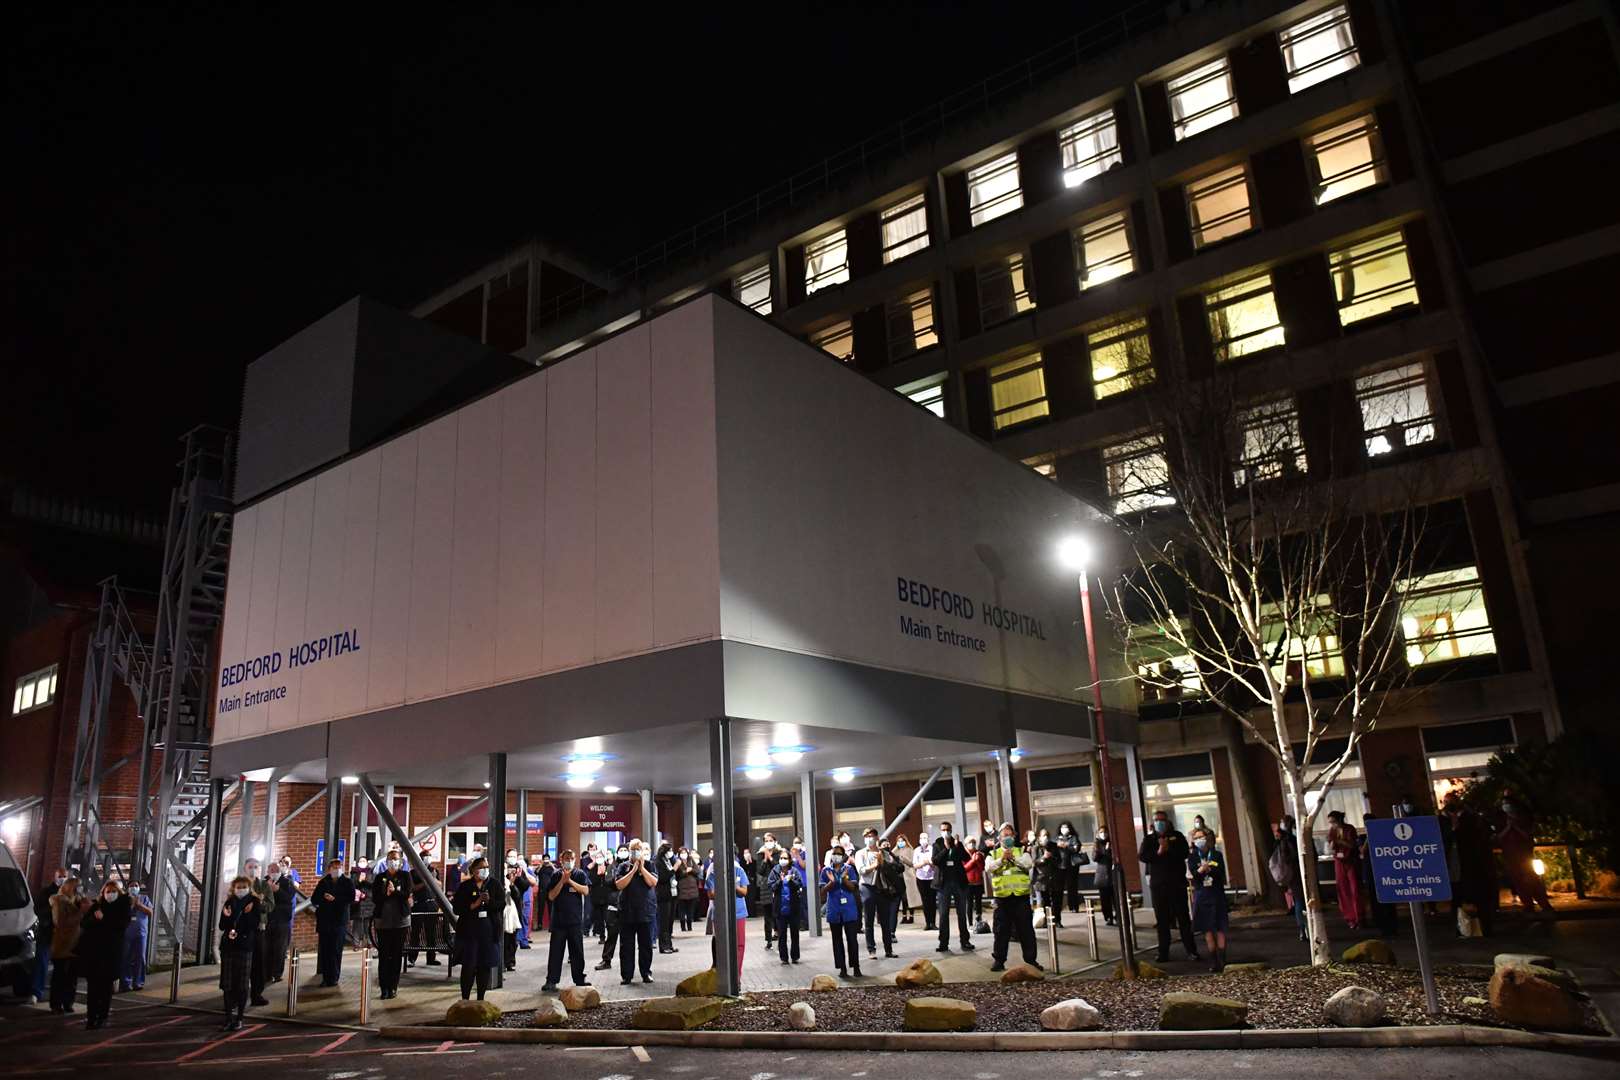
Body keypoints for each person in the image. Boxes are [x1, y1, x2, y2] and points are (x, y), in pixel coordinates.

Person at [1139, 810, 1199, 963]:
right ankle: (1163, 953)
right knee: (1162, 921)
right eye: (1157, 820)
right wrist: (1158, 851)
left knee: (1183, 919)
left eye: (1162, 820)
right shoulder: (1149, 839)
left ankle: (1191, 951)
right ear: (1153, 822)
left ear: (1167, 821)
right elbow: (1143, 856)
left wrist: (1169, 849)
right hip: (1159, 886)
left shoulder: (1177, 836)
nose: (1160, 822)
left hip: (1177, 884)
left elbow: (1185, 853)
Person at [985, 823, 1039, 972]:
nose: (1007, 837)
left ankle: (1031, 960)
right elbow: (988, 867)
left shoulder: (1021, 851)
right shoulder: (993, 854)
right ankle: (999, 961)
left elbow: (1028, 864)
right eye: (1004, 835)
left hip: (1021, 898)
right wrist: (1002, 859)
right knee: (1001, 931)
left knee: (1026, 930)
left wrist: (1013, 858)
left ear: (1014, 836)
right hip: (1002, 899)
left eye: (1009, 835)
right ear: (999, 838)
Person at [78, 879, 131, 1028]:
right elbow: (85, 923)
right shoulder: (97, 905)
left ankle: (102, 1016)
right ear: (103, 893)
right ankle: (91, 1017)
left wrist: (105, 919)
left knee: (105, 988)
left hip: (111, 953)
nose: (110, 894)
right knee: (93, 987)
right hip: (94, 954)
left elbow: (122, 925)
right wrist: (95, 918)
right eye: (108, 892)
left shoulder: (123, 906)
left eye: (114, 892)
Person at [1443, 795, 1498, 936]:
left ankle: (1483, 928)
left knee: (1478, 897)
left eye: (1451, 802)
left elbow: (1478, 839)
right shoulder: (1443, 820)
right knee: (1457, 899)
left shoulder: (1471, 818)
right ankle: (1461, 929)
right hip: (1455, 868)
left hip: (1473, 866)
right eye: (1446, 802)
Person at [541, 849, 592, 993]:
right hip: (558, 922)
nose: (568, 861)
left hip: (575, 921)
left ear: (575, 860)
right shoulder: (556, 875)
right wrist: (562, 882)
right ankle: (551, 981)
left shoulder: (580, 874)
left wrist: (569, 881)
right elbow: (551, 896)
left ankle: (579, 979)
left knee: (577, 952)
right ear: (561, 860)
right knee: (556, 952)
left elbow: (585, 891)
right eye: (566, 858)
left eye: (571, 858)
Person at [451, 856, 501, 1000]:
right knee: (469, 966)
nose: (485, 870)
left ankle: (481, 998)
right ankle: (465, 998)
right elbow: (457, 908)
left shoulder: (494, 884)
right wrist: (475, 904)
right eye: (481, 868)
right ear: (473, 870)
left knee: (484, 966)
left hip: (488, 932)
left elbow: (501, 904)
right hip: (469, 933)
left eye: (486, 867)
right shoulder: (465, 886)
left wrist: (489, 902)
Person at [217, 876, 261, 1031]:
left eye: (244, 887)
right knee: (227, 983)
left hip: (244, 946)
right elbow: (222, 925)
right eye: (238, 887)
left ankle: (240, 1018)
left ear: (249, 888)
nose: (240, 890)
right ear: (233, 888)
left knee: (242, 984)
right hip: (228, 946)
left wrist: (247, 916)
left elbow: (254, 925)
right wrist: (227, 917)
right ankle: (228, 1017)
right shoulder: (229, 902)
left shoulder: (254, 902)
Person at [1498, 796, 1554, 915]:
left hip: (1524, 856)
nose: (1506, 807)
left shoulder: (1523, 819)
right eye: (1504, 804)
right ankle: (1528, 905)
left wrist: (1515, 826)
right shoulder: (1502, 821)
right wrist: (1508, 827)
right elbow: (1499, 837)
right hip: (1510, 857)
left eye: (1508, 804)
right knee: (1518, 882)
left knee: (1532, 880)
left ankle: (1544, 904)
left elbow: (1527, 835)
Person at [614, 840, 658, 985]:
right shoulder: (622, 866)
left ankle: (646, 973)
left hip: (646, 911)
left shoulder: (650, 864)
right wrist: (633, 871)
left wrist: (642, 869)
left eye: (638, 849)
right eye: (633, 850)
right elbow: (619, 885)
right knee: (626, 946)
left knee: (645, 945)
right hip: (627, 912)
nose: (636, 852)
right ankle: (627, 975)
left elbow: (653, 882)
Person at [373, 849, 412, 999]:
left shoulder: (405, 875)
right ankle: (384, 988)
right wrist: (386, 894)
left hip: (400, 922)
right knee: (384, 955)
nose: (393, 861)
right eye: (390, 859)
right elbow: (375, 898)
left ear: (400, 861)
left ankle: (393, 987)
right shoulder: (379, 878)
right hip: (383, 922)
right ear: (386, 861)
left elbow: (407, 893)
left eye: (396, 859)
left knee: (396, 955)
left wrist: (395, 891)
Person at [1188, 828, 1229, 972]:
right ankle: (1213, 961)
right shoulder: (1193, 857)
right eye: (1196, 838)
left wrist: (1210, 869)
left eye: (1202, 837)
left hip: (1216, 894)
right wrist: (1200, 871)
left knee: (1220, 928)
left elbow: (1221, 873)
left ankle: (1223, 960)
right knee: (1207, 930)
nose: (1199, 840)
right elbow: (1193, 875)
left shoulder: (1216, 855)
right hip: (1202, 896)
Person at [931, 820, 975, 953]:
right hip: (943, 884)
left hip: (958, 882)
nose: (946, 832)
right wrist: (946, 849)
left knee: (961, 913)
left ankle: (965, 941)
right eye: (943, 830)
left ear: (951, 830)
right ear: (940, 831)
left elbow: (967, 858)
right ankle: (943, 943)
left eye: (948, 829)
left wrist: (957, 846)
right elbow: (935, 860)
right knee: (944, 914)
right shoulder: (937, 843)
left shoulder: (957, 843)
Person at [310, 857, 355, 986]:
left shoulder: (347, 882)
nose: (336, 869)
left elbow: (351, 898)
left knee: (336, 949)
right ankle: (325, 977)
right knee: (325, 950)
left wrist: (335, 899)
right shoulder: (324, 882)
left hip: (339, 920)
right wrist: (324, 898)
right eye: (334, 867)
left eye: (339, 867)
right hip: (325, 920)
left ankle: (334, 977)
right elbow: (314, 899)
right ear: (329, 869)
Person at [820, 845, 862, 978]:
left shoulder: (849, 869)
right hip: (834, 909)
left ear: (843, 856)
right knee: (837, 940)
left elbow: (853, 888)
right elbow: (822, 891)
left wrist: (844, 879)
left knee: (852, 939)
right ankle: (842, 968)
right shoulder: (826, 871)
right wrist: (831, 883)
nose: (836, 856)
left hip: (849, 909)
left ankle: (856, 966)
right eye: (834, 853)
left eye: (839, 854)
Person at [705, 850, 749, 976]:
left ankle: (736, 976)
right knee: (722, 945)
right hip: (720, 913)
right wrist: (725, 886)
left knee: (739, 945)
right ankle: (724, 977)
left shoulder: (738, 870)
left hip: (738, 912)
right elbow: (711, 895)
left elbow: (744, 891)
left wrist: (734, 887)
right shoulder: (713, 872)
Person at [49, 875, 84, 1013]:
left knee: (72, 977)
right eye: (77, 886)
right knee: (60, 976)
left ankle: (68, 1002)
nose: (80, 889)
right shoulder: (59, 901)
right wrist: (80, 913)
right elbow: (60, 922)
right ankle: (56, 1004)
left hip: (76, 944)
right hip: (63, 944)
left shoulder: (78, 900)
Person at [242, 858, 275, 1007]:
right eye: (250, 867)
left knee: (258, 963)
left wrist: (260, 902)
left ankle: (257, 994)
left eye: (256, 867)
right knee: (241, 963)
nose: (253, 869)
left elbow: (270, 906)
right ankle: (238, 995)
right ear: (245, 868)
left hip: (259, 928)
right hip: (242, 929)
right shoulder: (240, 884)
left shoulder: (263, 885)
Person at [1269, 817, 1307, 942]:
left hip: (1290, 873)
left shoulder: (1281, 840)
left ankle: (1302, 928)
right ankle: (1305, 927)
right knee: (1302, 900)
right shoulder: (1292, 838)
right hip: (1297, 872)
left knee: (1298, 900)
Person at [765, 848, 805, 964]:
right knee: (782, 935)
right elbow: (771, 886)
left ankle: (795, 956)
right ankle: (784, 958)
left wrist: (791, 880)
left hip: (793, 908)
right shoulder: (775, 871)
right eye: (781, 858)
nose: (783, 860)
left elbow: (799, 885)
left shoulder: (794, 871)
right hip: (780, 908)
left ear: (789, 860)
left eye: (785, 858)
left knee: (794, 934)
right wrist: (780, 881)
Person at [1326, 811, 1363, 930]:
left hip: (1351, 861)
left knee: (1355, 889)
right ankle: (1350, 917)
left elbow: (1352, 845)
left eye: (1333, 822)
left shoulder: (1349, 829)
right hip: (1339, 861)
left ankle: (1359, 917)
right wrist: (1333, 843)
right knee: (1343, 889)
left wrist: (1339, 841)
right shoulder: (1332, 831)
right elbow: (1331, 846)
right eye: (1330, 822)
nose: (1332, 824)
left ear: (1339, 820)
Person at [32, 868, 64, 1004]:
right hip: (47, 932)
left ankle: (57, 996)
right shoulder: (45, 892)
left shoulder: (69, 893)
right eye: (60, 876)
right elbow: (37, 909)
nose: (62, 879)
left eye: (64, 876)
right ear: (55, 877)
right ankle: (36, 992)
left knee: (61, 967)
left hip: (62, 935)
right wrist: (50, 908)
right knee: (42, 962)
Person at [264, 859, 298, 982]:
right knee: (266, 948)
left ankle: (276, 974)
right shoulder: (264, 881)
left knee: (279, 948)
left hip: (282, 920)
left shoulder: (287, 882)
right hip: (267, 920)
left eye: (276, 870)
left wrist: (277, 890)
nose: (273, 872)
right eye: (271, 870)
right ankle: (266, 973)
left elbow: (289, 898)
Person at [595, 844, 627, 971]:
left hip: (627, 904)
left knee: (626, 938)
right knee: (612, 934)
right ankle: (606, 960)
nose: (623, 852)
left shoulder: (631, 865)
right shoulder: (612, 866)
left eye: (625, 850)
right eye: (621, 850)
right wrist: (620, 879)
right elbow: (609, 882)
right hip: (613, 904)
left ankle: (626, 964)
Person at [872, 838, 905, 956]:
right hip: (884, 890)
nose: (886, 846)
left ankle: (892, 933)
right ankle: (887, 938)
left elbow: (902, 868)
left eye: (888, 844)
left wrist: (893, 863)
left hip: (896, 889)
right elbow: (883, 869)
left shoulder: (893, 855)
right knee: (886, 915)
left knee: (894, 912)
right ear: (880, 846)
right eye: (884, 845)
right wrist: (891, 866)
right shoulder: (879, 856)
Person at [407, 860, 443, 968]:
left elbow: (439, 885)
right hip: (418, 904)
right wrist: (425, 881)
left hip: (431, 905)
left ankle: (431, 958)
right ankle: (412, 958)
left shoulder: (433, 870)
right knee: (415, 933)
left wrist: (432, 878)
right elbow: (412, 888)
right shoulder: (413, 873)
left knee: (431, 933)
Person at [118, 881, 152, 992]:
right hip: (126, 933)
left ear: (139, 887)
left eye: (136, 886)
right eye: (131, 886)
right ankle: (125, 983)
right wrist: (131, 905)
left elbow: (150, 912)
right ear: (128, 888)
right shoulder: (123, 899)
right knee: (125, 957)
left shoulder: (144, 898)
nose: (134, 888)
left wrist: (138, 905)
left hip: (141, 933)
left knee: (140, 957)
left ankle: (138, 982)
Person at [1055, 821, 1088, 916]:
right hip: (1060, 866)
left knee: (1072, 887)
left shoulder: (1073, 838)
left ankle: (1074, 906)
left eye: (1066, 827)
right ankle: (1059, 907)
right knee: (1059, 888)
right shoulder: (1057, 839)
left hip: (1072, 865)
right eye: (1062, 827)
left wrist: (1067, 846)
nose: (1064, 829)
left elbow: (1076, 848)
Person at [654, 842, 680, 954]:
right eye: (669, 851)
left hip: (672, 893)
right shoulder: (658, 862)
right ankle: (663, 946)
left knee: (670, 921)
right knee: (664, 922)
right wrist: (674, 868)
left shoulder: (668, 861)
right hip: (663, 895)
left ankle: (669, 944)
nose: (671, 853)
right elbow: (663, 877)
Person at [911, 827, 936, 931]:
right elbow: (914, 865)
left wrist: (930, 862)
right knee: (925, 901)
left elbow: (936, 863)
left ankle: (933, 923)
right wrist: (923, 863)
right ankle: (927, 923)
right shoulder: (916, 850)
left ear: (928, 839)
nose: (923, 840)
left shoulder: (932, 849)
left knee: (932, 901)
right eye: (921, 838)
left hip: (932, 877)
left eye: (925, 838)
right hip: (921, 878)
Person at [1092, 827, 1117, 926]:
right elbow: (1095, 858)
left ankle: (1117, 916)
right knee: (1105, 899)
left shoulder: (1112, 842)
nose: (1104, 834)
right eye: (1101, 832)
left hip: (1112, 874)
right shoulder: (1097, 844)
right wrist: (1105, 850)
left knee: (1115, 898)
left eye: (1105, 832)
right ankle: (1108, 917)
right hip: (1102, 875)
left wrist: (1109, 850)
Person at [349, 862, 374, 950]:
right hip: (357, 902)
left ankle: (369, 942)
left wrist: (365, 880)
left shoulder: (370, 872)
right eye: (361, 861)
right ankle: (356, 944)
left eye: (364, 861)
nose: (362, 863)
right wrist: (358, 881)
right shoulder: (354, 873)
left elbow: (373, 885)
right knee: (357, 924)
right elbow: (351, 885)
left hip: (368, 902)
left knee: (367, 925)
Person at [963, 837, 986, 929]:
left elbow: (982, 868)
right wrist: (972, 861)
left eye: (973, 842)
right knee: (969, 903)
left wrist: (977, 861)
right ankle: (970, 923)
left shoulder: (979, 854)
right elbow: (964, 868)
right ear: (966, 844)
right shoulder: (963, 854)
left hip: (978, 882)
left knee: (979, 903)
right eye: (969, 842)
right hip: (968, 883)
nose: (971, 844)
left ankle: (979, 921)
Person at [675, 849, 700, 931]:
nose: (683, 854)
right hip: (682, 889)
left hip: (692, 889)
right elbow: (677, 874)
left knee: (690, 909)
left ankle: (689, 926)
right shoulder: (677, 862)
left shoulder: (691, 860)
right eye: (681, 852)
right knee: (682, 909)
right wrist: (686, 871)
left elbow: (697, 871)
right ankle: (683, 926)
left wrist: (691, 870)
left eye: (684, 852)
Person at [893, 835, 914, 923]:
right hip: (899, 877)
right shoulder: (896, 850)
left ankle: (911, 916)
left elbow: (912, 863)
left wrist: (904, 859)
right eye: (899, 841)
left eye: (902, 841)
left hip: (908, 876)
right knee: (903, 898)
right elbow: (891, 857)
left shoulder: (910, 850)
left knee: (910, 897)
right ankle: (904, 915)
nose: (900, 842)